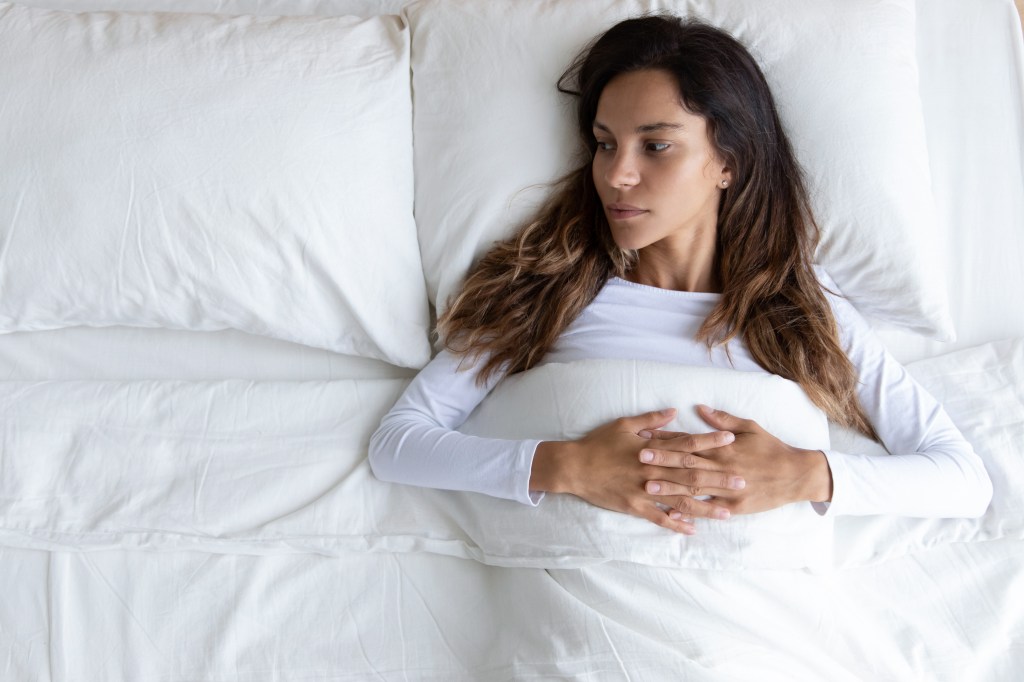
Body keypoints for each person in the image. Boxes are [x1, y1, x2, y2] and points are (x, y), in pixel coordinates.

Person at [369, 15, 992, 535]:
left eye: (656, 145)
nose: (617, 175)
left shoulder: (800, 308)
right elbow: (398, 444)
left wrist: (806, 474)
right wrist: (567, 467)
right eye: (605, 144)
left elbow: (962, 478)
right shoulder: (547, 291)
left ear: (728, 160)